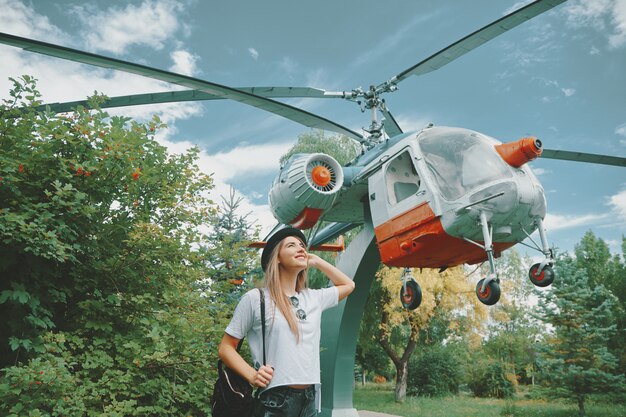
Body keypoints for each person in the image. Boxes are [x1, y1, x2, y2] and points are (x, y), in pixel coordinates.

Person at [218, 227, 355, 417]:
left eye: (302, 246)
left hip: (310, 399)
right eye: (291, 245)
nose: (300, 249)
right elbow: (226, 348)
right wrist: (252, 374)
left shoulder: (313, 298)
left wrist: (317, 261)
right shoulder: (256, 299)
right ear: (278, 257)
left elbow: (349, 285)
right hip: (275, 400)